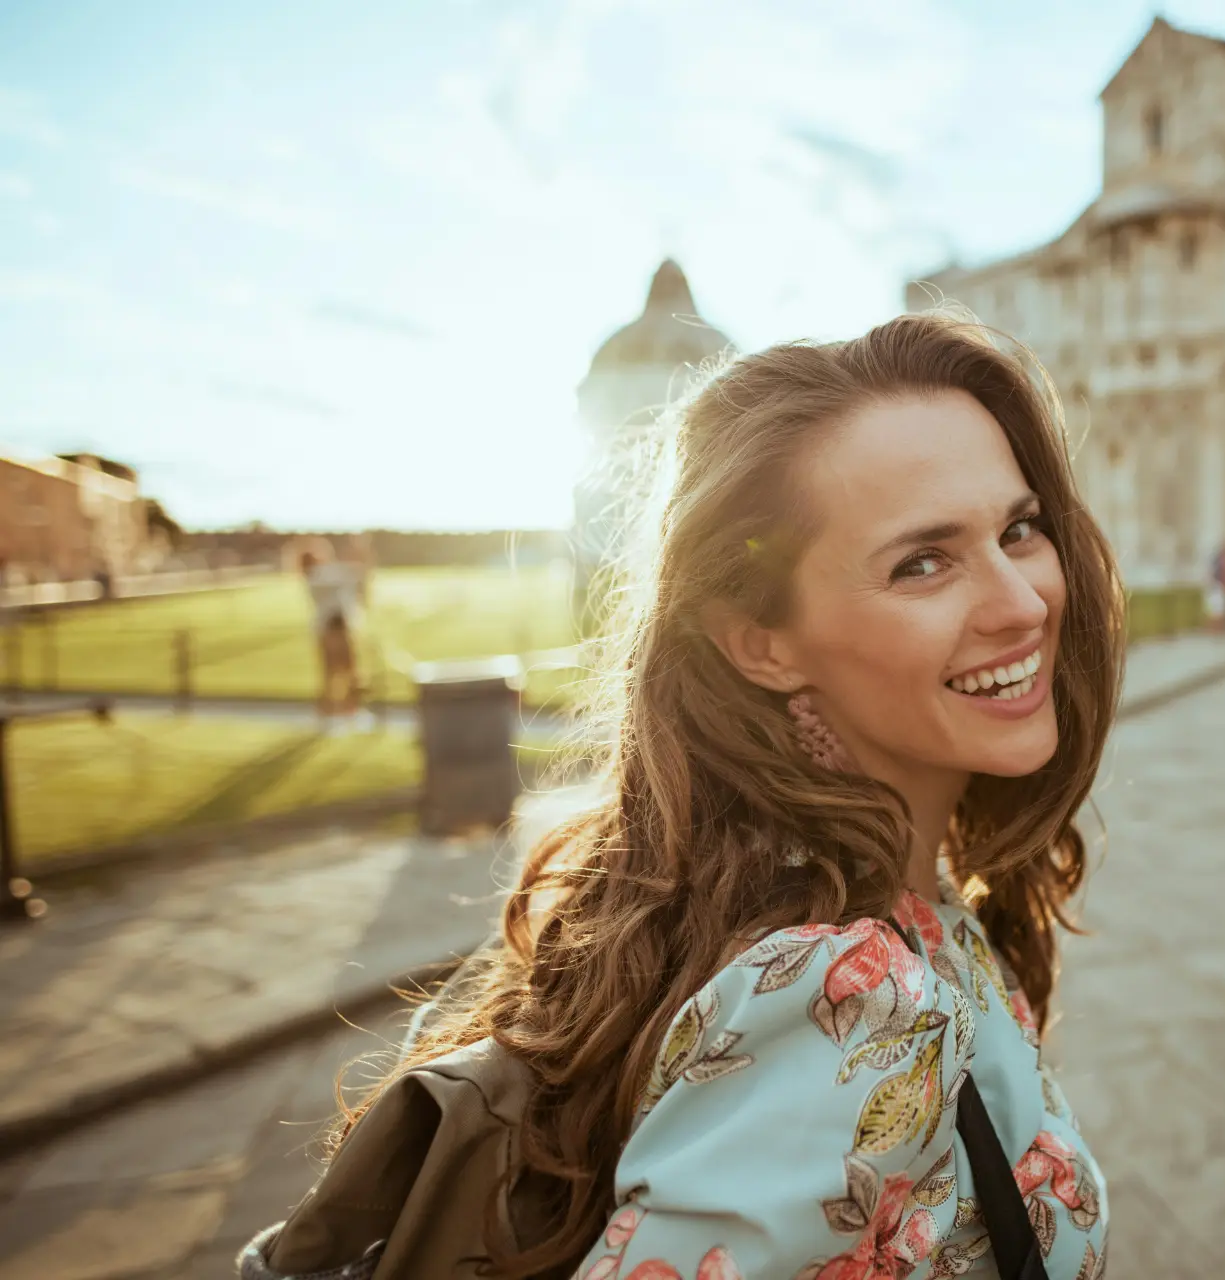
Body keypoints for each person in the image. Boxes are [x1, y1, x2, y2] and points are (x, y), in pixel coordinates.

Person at [242, 313, 1121, 1279]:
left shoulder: (787, 891)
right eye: (924, 561)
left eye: (1019, 529)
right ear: (760, 640)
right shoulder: (846, 1001)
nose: (1025, 602)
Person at [299, 543, 366, 725]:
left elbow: (352, 576)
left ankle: (342, 711)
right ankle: (335, 712)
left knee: (343, 674)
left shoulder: (321, 574)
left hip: (336, 628)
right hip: (333, 630)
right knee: (338, 674)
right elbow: (350, 572)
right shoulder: (317, 576)